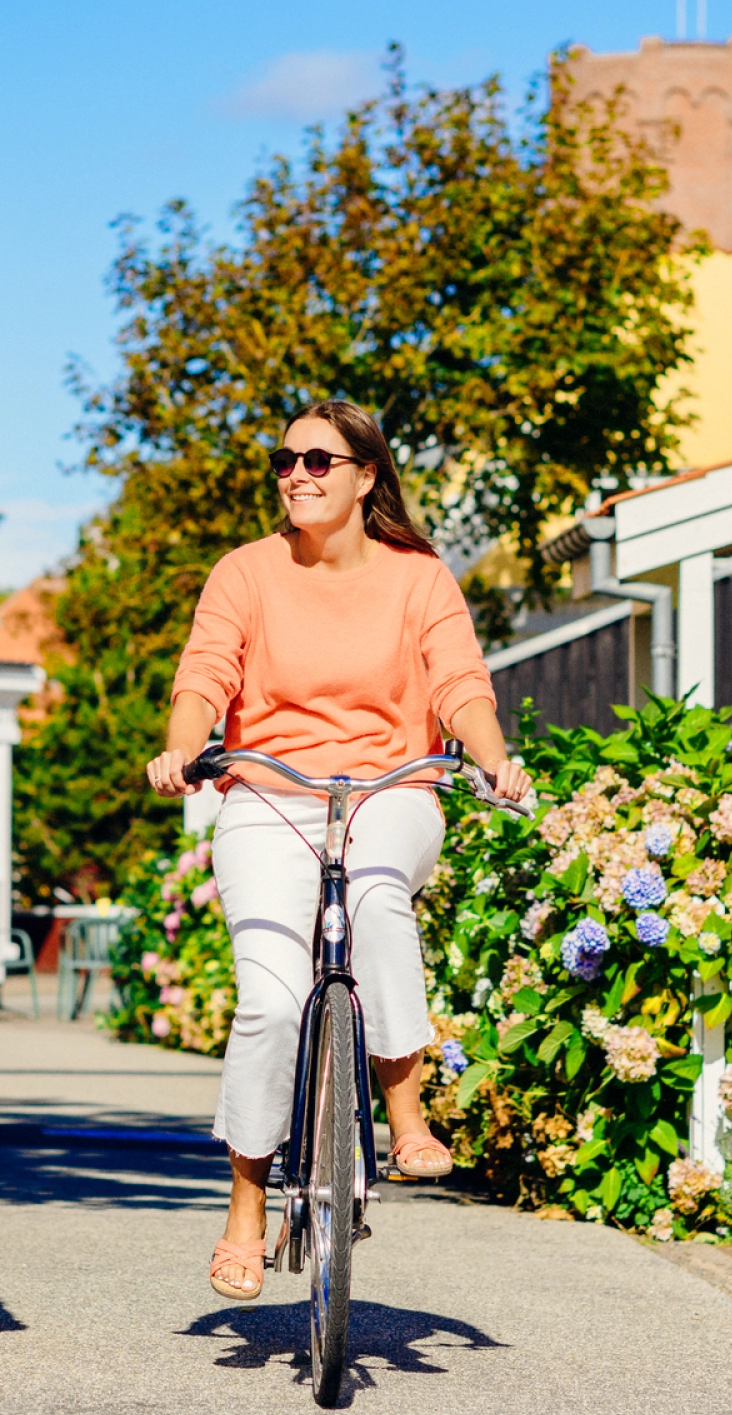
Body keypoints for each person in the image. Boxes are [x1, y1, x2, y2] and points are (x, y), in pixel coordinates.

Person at [145, 399, 532, 1302]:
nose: (297, 476)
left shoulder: (420, 579)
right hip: (268, 796)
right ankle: (245, 1205)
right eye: (284, 462)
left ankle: (404, 1114)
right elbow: (205, 675)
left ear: (366, 477)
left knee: (377, 898)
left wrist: (496, 760)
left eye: (319, 461)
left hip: (389, 791)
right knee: (272, 1005)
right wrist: (183, 744)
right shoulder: (245, 573)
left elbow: (460, 683)